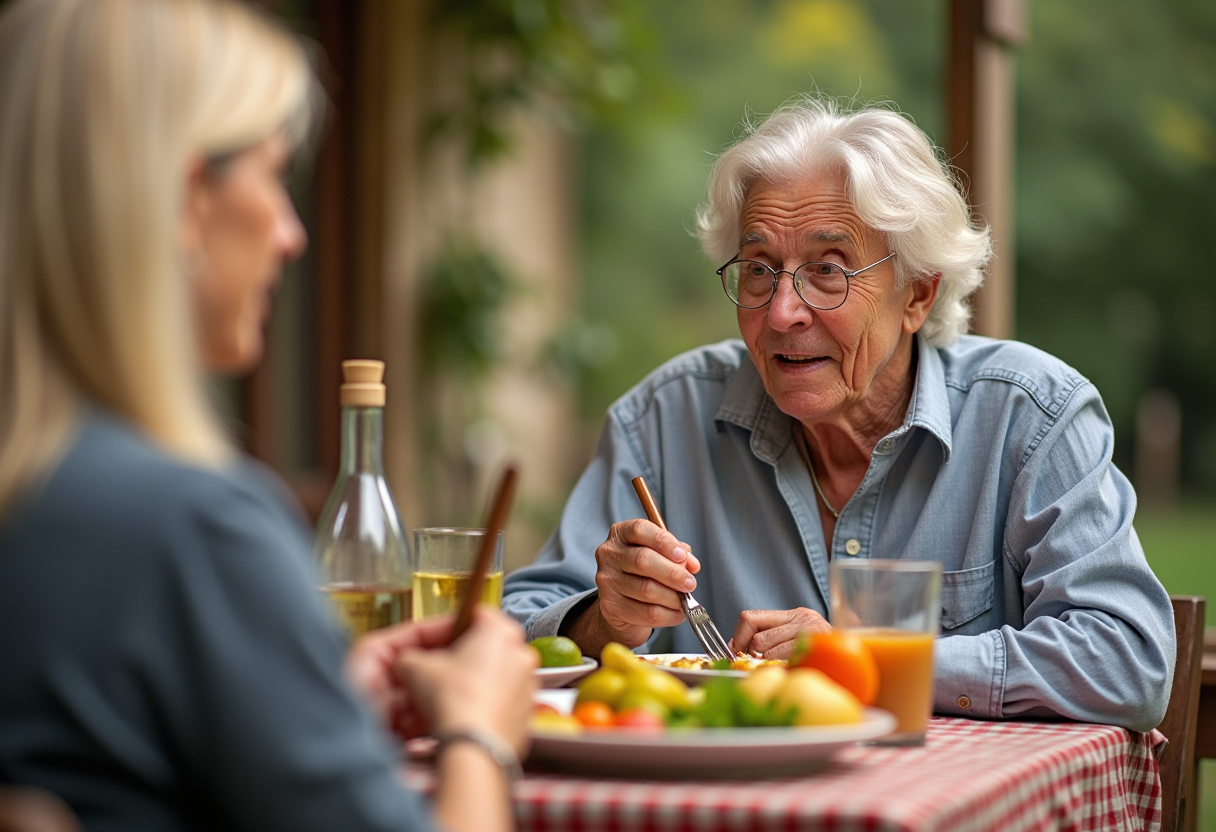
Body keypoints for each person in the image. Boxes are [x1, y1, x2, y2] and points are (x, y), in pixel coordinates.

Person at [0, 2, 536, 831]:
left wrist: (311, 687)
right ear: (186, 198)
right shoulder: (190, 528)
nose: (291, 236)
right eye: (274, 175)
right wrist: (479, 735)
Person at [503, 95, 1175, 733]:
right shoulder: (661, 420)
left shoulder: (1029, 418)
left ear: (917, 293)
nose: (781, 312)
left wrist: (861, 657)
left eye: (828, 269)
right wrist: (602, 622)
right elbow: (511, 628)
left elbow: (1126, 660)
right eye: (760, 269)